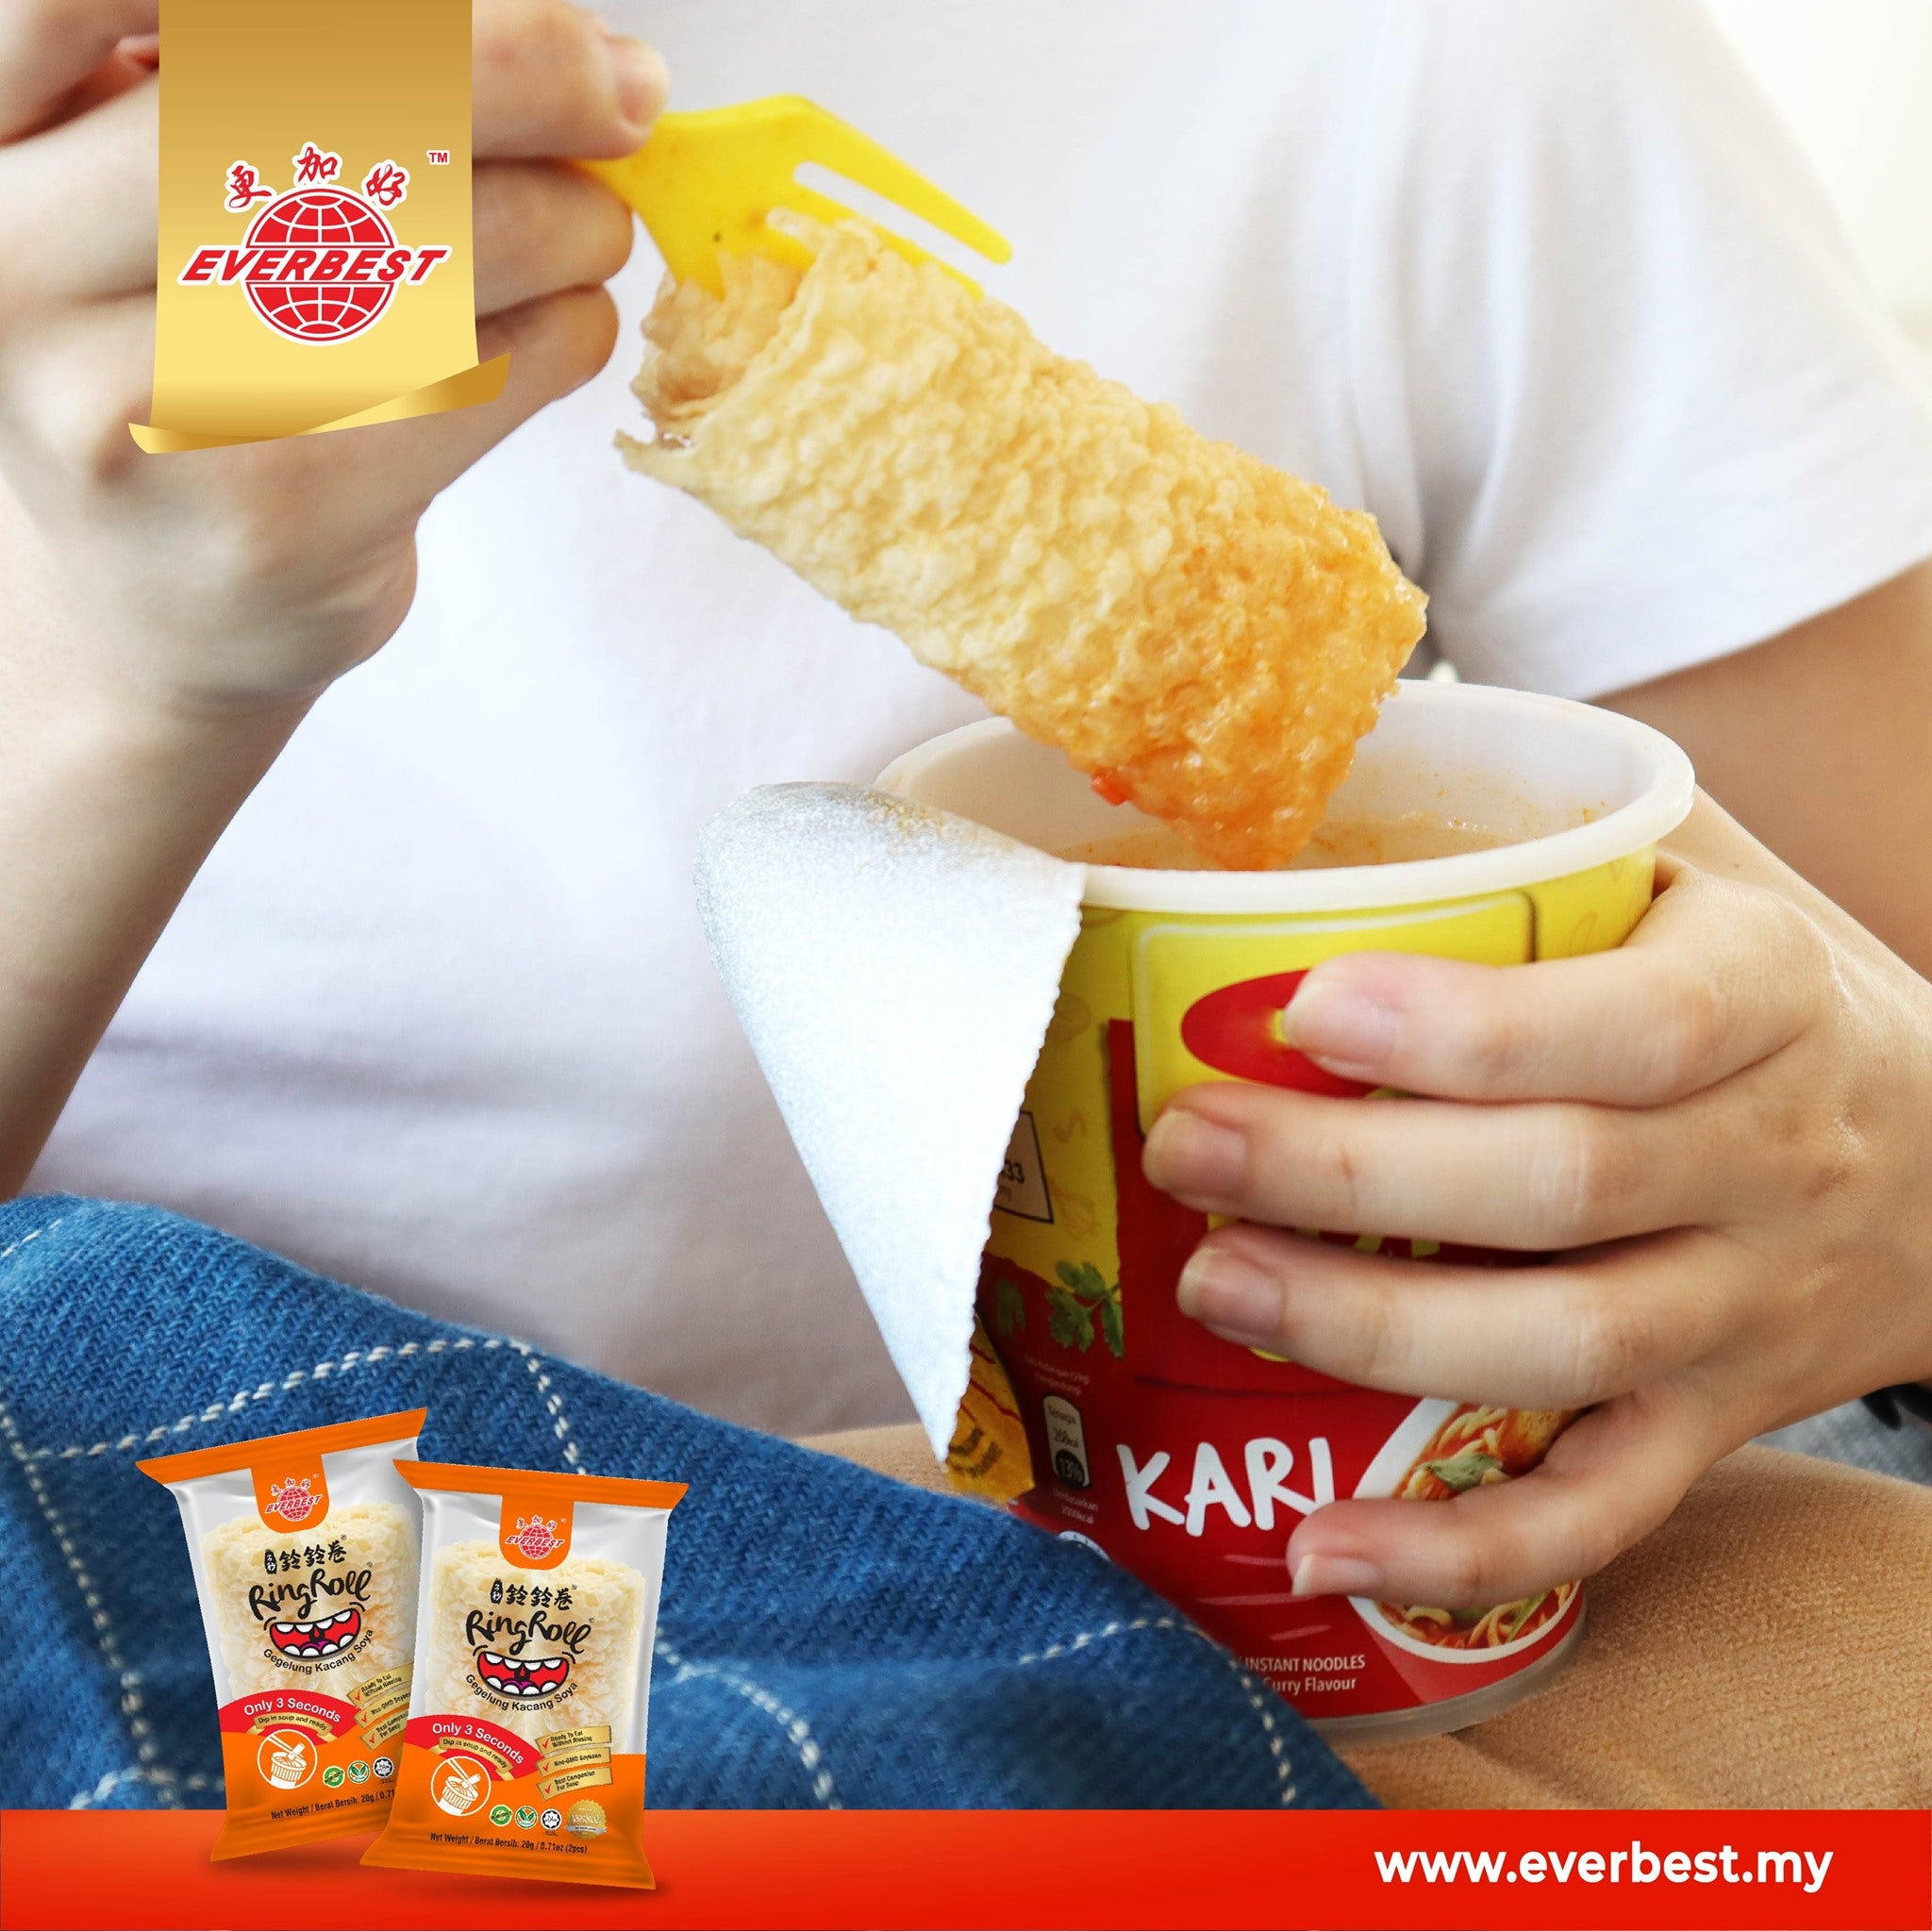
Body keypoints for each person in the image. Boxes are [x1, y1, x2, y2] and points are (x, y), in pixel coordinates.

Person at [3, 0, 1931, 1628]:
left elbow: (1881, 1028)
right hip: (282, 1671)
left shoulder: (1441, 57)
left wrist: (1899, 1198)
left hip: (1238, 1637)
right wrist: (124, 688)